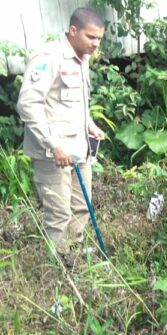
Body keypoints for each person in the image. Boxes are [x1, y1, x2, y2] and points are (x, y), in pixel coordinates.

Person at [17, 8, 106, 257]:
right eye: (91, 37)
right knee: (58, 215)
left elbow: (73, 101)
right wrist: (53, 143)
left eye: (99, 38)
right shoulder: (48, 57)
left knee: (81, 208)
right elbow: (28, 104)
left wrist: (89, 124)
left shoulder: (82, 58)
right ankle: (55, 274)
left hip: (79, 149)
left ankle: (71, 258)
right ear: (73, 30)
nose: (95, 43)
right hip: (53, 154)